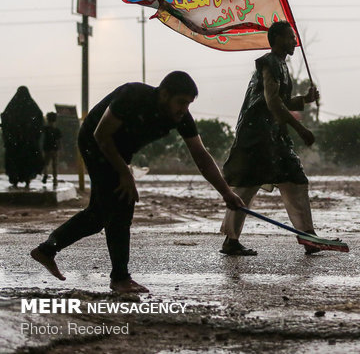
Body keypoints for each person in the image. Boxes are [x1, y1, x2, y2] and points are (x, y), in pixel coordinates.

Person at [30, 72, 244, 293]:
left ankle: (47, 250)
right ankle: (120, 278)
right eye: (180, 102)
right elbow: (101, 134)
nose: (184, 109)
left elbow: (200, 155)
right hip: (94, 141)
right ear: (164, 94)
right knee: (122, 203)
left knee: (98, 215)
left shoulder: (181, 117)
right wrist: (125, 173)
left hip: (120, 150)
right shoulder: (133, 96)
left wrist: (226, 193)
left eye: (188, 104)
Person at [220, 21, 321, 256]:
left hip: (274, 135)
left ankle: (308, 236)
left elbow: (279, 100)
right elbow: (272, 103)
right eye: (290, 37)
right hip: (257, 136)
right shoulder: (269, 63)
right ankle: (231, 240)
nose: (295, 41)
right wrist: (300, 128)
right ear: (277, 40)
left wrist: (304, 100)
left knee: (295, 179)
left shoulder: (282, 66)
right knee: (246, 186)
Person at [1, 86, 44, 188]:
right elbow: (39, 118)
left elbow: (4, 118)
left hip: (15, 143)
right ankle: (27, 179)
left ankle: (15, 179)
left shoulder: (12, 107)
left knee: (15, 162)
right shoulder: (32, 106)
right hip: (27, 142)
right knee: (27, 161)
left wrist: (12, 133)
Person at [41, 112, 62, 186]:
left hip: (47, 148)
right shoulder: (57, 130)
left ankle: (45, 174)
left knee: (46, 164)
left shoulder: (45, 129)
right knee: (54, 165)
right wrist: (60, 149)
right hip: (55, 149)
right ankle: (55, 180)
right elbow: (59, 141)